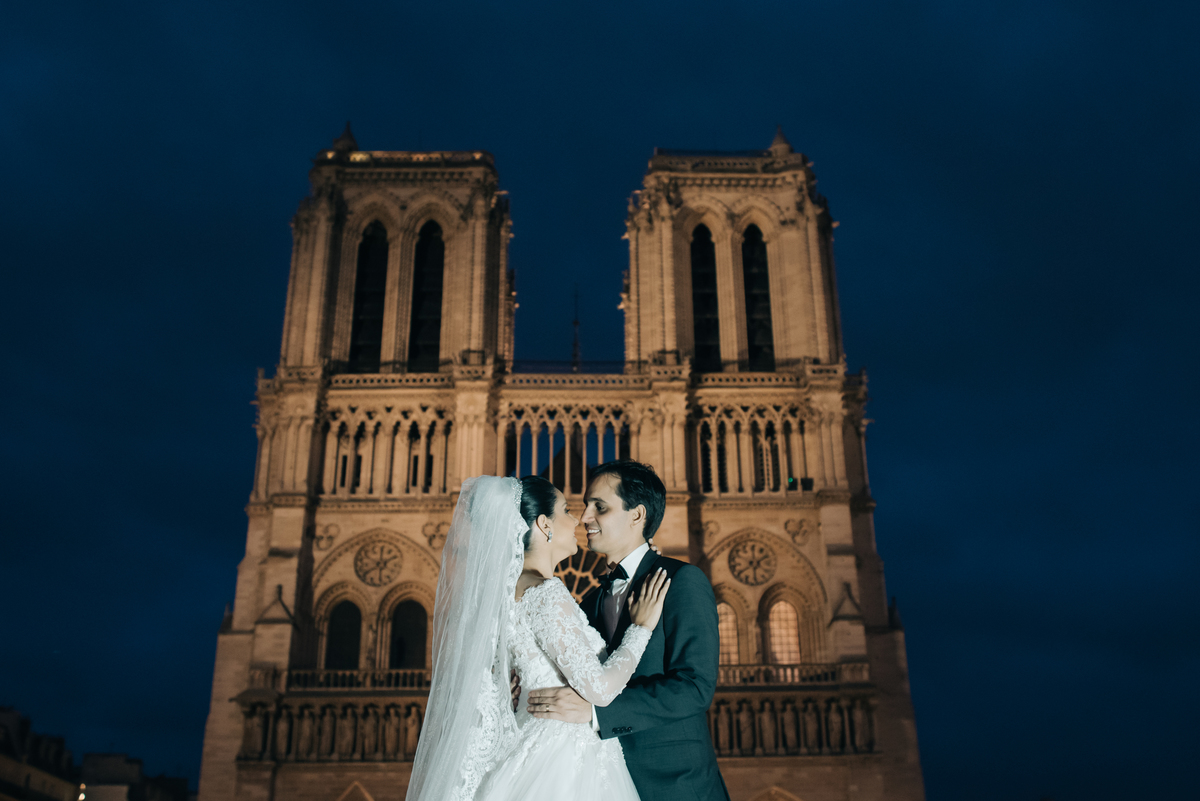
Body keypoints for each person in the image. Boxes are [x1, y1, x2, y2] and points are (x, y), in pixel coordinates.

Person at [405, 474, 670, 801]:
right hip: (564, 756)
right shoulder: (545, 592)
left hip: (529, 742)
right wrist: (641, 628)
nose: (578, 519)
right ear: (545, 524)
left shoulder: (507, 592)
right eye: (566, 510)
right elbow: (600, 690)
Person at [527, 459, 731, 801]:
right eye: (586, 506)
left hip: (676, 785)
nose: (584, 517)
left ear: (637, 515)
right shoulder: (589, 602)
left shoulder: (681, 581)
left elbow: (695, 687)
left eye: (600, 507)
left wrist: (597, 713)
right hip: (605, 781)